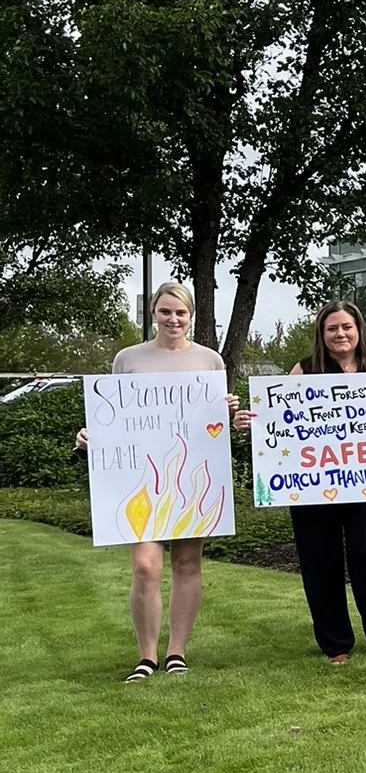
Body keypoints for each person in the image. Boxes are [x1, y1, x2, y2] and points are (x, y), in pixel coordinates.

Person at [238, 302, 366, 665]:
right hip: (313, 485)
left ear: (359, 330)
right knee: (320, 561)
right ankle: (335, 644)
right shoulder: (305, 369)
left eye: (347, 327)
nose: (340, 334)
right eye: (332, 328)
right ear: (322, 333)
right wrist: (254, 421)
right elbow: (280, 419)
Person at [77, 281, 237, 683]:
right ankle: (146, 656)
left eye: (181, 312)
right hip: (139, 481)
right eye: (166, 311)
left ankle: (177, 652)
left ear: (191, 316)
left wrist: (231, 413)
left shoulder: (210, 361)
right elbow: (113, 417)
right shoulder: (127, 359)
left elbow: (215, 426)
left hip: (192, 479)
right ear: (154, 313)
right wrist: (88, 435)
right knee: (145, 567)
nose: (173, 319)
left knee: (187, 563)